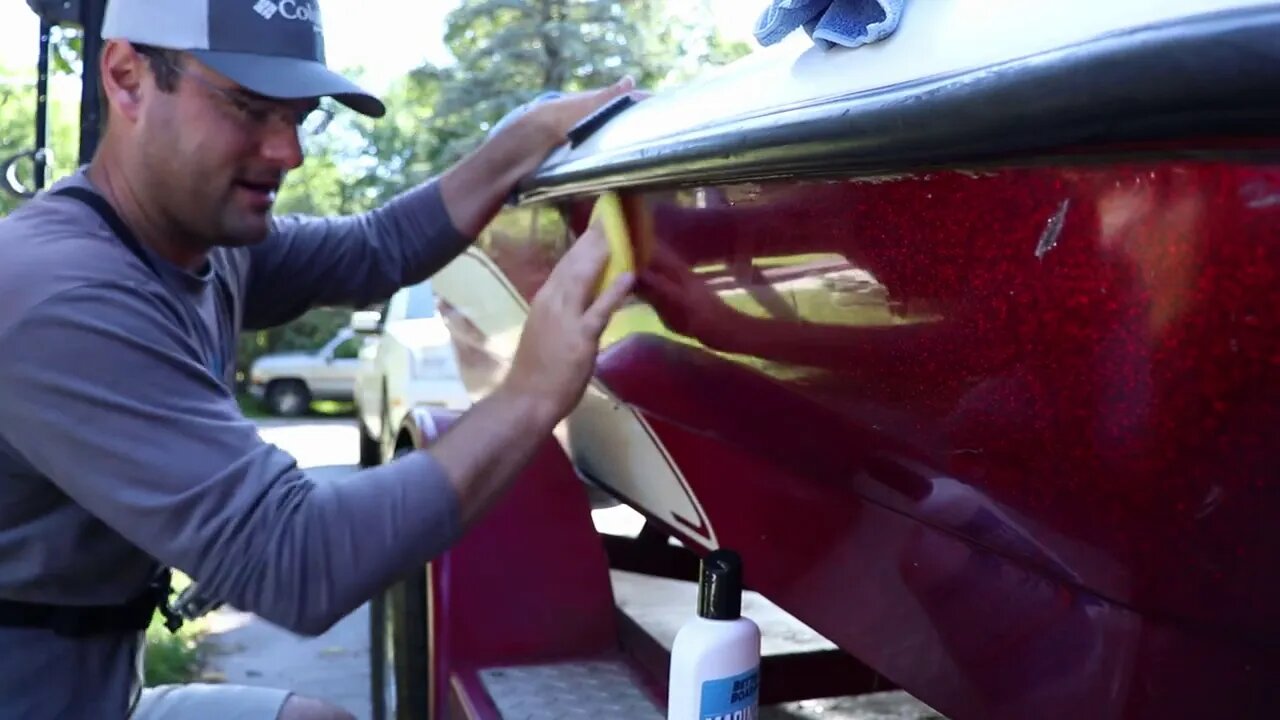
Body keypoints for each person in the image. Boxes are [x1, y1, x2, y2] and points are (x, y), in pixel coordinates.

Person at [0, 0, 637, 718]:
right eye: (248, 106)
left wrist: (523, 142)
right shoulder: (62, 292)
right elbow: (296, 560)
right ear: (126, 78)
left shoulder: (194, 246)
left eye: (299, 115)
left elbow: (377, 248)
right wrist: (528, 397)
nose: (289, 152)